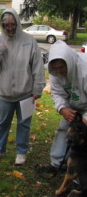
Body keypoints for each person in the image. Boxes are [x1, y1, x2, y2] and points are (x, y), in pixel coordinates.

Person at [0, 8, 46, 165]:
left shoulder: (29, 40)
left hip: (26, 93)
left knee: (24, 124)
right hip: (4, 93)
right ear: (2, 25)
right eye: (6, 25)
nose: (10, 28)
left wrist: (37, 89)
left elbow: (37, 66)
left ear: (17, 22)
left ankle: (21, 152)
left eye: (12, 24)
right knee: (3, 123)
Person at [38, 40, 87, 173]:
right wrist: (62, 109)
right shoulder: (55, 72)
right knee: (63, 129)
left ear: (69, 62)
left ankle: (81, 169)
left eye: (62, 67)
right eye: (56, 68)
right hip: (72, 106)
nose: (59, 71)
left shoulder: (84, 68)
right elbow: (57, 93)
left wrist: (85, 116)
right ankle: (57, 163)